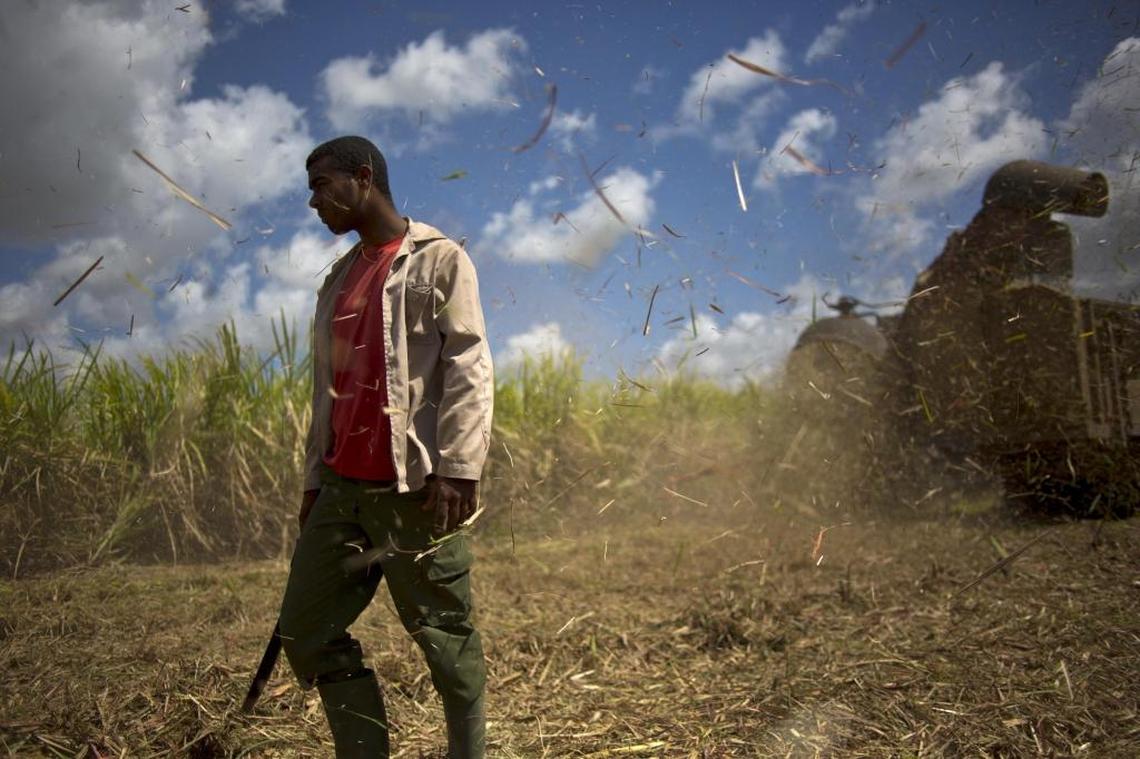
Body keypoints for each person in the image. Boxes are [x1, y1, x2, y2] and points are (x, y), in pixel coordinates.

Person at [278, 135, 493, 758]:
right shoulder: (337, 282)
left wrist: (458, 466)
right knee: (306, 628)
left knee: (445, 638)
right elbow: (330, 391)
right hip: (342, 490)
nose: (315, 200)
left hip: (416, 490)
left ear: (363, 177)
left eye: (322, 184)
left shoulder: (439, 259)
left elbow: (470, 365)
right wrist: (314, 482)